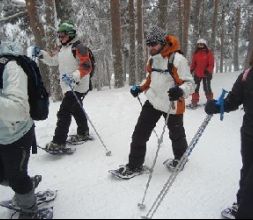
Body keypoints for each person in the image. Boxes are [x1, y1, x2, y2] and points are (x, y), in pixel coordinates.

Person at [113, 27, 195, 179]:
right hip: (153, 101)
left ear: (163, 43)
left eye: (154, 44)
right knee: (139, 134)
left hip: (172, 104)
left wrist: (180, 90)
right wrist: (140, 88)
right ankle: (135, 166)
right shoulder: (152, 59)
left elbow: (190, 84)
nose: (151, 47)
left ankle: (181, 158)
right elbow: (150, 79)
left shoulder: (177, 60)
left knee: (176, 135)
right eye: (149, 44)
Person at [205, 55, 253, 219]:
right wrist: (217, 106)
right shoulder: (247, 75)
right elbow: (233, 100)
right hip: (249, 133)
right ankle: (241, 205)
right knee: (247, 171)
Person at [34, 21, 93, 153]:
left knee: (64, 112)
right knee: (76, 109)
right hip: (68, 86)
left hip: (78, 85)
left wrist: (74, 77)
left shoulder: (79, 47)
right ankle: (83, 132)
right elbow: (53, 61)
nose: (60, 38)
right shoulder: (62, 48)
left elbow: (87, 66)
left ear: (70, 34)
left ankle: (59, 142)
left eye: (63, 35)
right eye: (59, 35)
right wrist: (41, 54)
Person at [0, 41, 40, 218]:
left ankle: (29, 208)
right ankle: (26, 185)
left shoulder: (11, 67)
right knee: (3, 175)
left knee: (16, 178)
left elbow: (20, 110)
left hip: (17, 134)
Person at [190, 39, 215, 109]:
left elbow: (211, 64)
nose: (200, 45)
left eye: (201, 44)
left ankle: (210, 102)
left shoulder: (209, 53)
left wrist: (208, 71)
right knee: (195, 88)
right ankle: (194, 102)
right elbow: (193, 63)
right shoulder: (196, 53)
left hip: (206, 74)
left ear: (205, 45)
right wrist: (191, 70)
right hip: (197, 73)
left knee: (207, 88)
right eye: (199, 44)